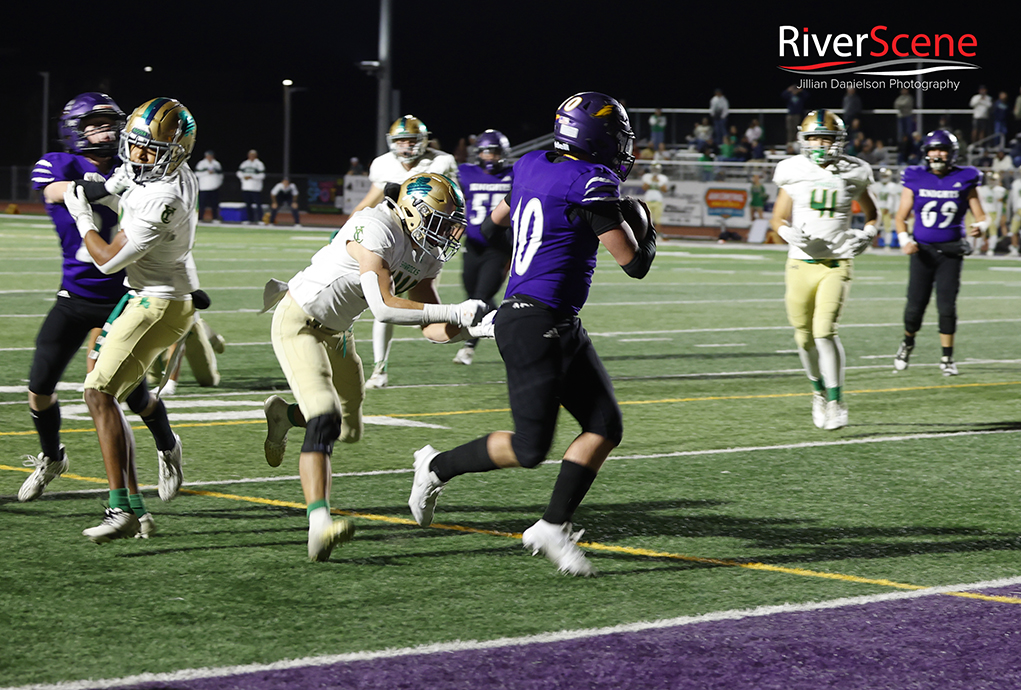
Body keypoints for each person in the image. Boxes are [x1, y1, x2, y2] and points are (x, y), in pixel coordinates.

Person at [406, 92, 657, 577]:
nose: (622, 147)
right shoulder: (593, 181)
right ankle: (436, 467)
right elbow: (634, 264)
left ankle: (552, 526)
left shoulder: (530, 164)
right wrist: (645, 229)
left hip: (557, 320)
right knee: (529, 448)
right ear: (597, 137)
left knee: (605, 426)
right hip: (533, 321)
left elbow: (492, 227)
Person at [259, 173, 491, 561]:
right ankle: (319, 524)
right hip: (299, 321)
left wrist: (476, 327)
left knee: (348, 430)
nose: (447, 235)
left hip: (338, 332)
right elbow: (384, 306)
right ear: (413, 213)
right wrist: (457, 310)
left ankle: (284, 415)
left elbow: (431, 326)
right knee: (326, 419)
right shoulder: (376, 225)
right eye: (441, 223)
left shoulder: (425, 250)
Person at [19, 93, 159, 538]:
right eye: (93, 124)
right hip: (75, 294)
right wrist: (116, 185)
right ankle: (53, 457)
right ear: (75, 128)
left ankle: (135, 499)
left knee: (111, 396)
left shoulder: (134, 161)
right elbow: (59, 192)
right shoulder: (58, 161)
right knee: (39, 387)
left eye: (108, 123)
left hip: (122, 294)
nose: (103, 131)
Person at [64, 97, 199, 542]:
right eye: (134, 145)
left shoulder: (163, 195)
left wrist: (82, 216)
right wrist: (94, 188)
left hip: (155, 304)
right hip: (157, 297)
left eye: (149, 150)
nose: (138, 156)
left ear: (175, 152)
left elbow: (106, 261)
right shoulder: (162, 171)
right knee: (105, 392)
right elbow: (119, 181)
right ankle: (136, 506)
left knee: (98, 392)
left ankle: (120, 507)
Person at [769, 110, 878, 431]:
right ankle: (817, 393)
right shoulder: (792, 169)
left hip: (837, 261)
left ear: (838, 141)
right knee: (803, 338)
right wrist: (785, 232)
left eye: (827, 138)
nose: (820, 143)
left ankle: (836, 400)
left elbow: (873, 215)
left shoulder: (855, 171)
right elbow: (778, 218)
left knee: (824, 332)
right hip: (799, 262)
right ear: (804, 141)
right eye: (814, 137)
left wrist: (868, 234)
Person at [351, 115, 459, 389]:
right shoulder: (383, 164)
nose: (405, 146)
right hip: (396, 236)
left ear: (423, 141)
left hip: (427, 241)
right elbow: (370, 200)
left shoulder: (441, 161)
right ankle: (380, 368)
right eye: (400, 141)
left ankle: (447, 327)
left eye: (411, 140)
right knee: (386, 299)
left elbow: (454, 204)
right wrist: (350, 226)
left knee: (414, 300)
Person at [892, 130, 987, 376]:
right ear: (926, 152)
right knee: (915, 308)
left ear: (951, 153)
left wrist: (981, 227)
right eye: (933, 149)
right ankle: (908, 342)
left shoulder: (966, 177)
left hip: (951, 252)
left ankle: (947, 358)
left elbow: (982, 216)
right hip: (922, 251)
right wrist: (904, 239)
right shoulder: (915, 176)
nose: (937, 154)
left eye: (942, 149)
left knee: (946, 307)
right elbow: (900, 217)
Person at [452, 129, 515, 366]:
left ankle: (468, 347)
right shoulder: (465, 173)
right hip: (473, 245)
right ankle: (505, 326)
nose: (489, 157)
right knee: (474, 296)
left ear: (504, 153)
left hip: (500, 248)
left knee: (480, 297)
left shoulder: (513, 176)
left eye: (494, 152)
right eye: (485, 152)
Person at [975, 172, 1007, 256]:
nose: (992, 181)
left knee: (993, 232)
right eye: (990, 179)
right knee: (981, 231)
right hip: (983, 212)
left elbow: (1000, 205)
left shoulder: (1000, 190)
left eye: (993, 180)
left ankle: (991, 249)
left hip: (994, 212)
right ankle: (977, 248)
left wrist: (1000, 216)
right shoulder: (982, 189)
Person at [871, 168, 900, 249]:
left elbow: (894, 200)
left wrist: (891, 210)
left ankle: (887, 245)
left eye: (885, 175)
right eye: (882, 175)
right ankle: (869, 244)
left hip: (887, 210)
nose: (884, 177)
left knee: (888, 228)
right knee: (872, 227)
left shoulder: (893, 186)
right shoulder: (875, 186)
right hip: (876, 209)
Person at [237, 149, 265, 224]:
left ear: (256, 156)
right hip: (246, 187)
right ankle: (249, 219)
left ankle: (260, 219)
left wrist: (252, 177)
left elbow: (262, 175)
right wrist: (243, 177)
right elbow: (239, 173)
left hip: (255, 188)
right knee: (248, 204)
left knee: (258, 204)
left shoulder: (259, 164)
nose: (251, 156)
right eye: (250, 155)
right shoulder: (244, 163)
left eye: (253, 155)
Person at [194, 150, 223, 222]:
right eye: (208, 156)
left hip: (214, 187)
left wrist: (218, 184)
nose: (210, 157)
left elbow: (220, 175)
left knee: (214, 204)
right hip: (204, 187)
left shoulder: (216, 164)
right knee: (202, 204)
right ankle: (200, 218)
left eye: (211, 156)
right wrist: (207, 172)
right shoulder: (201, 164)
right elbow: (197, 174)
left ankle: (215, 218)